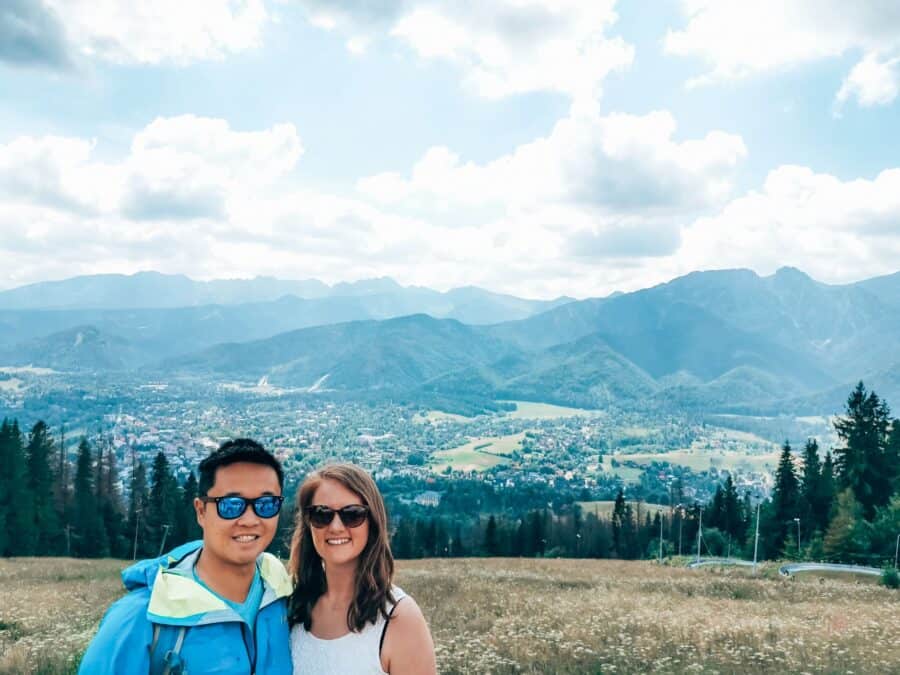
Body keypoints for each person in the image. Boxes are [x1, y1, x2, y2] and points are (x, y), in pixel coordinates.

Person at [78, 438, 293, 674]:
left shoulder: (279, 591)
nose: (250, 520)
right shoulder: (141, 619)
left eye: (266, 504)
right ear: (201, 511)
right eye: (231, 505)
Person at [288, 463, 436, 674]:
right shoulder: (292, 610)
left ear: (372, 522)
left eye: (352, 514)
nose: (336, 527)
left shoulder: (398, 618)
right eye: (321, 514)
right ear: (308, 524)